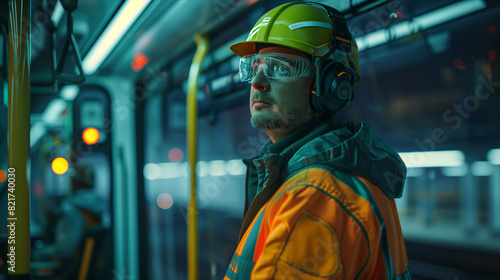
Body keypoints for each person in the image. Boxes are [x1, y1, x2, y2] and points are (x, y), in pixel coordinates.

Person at [224, 2, 411, 279]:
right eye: (253, 67)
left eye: (281, 68)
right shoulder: (299, 176)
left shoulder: (317, 194)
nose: (257, 82)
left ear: (330, 84)